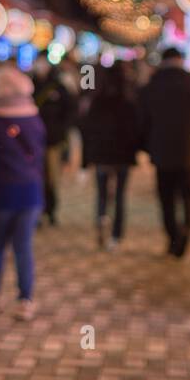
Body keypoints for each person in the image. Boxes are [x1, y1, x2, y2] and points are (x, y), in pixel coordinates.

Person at [0, 66, 46, 320]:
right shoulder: (34, 119)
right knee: (23, 247)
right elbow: (38, 154)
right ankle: (25, 300)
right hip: (30, 190)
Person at [137, 48, 190, 258]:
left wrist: (145, 147)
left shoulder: (151, 89)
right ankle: (186, 231)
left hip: (162, 153)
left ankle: (172, 237)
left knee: (167, 198)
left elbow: (142, 122)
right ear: (181, 61)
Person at [78, 62, 139, 250]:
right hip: (123, 156)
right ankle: (116, 235)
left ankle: (101, 223)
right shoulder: (130, 101)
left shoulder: (97, 101)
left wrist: (85, 160)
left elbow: (87, 131)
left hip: (101, 156)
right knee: (120, 196)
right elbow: (136, 130)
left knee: (103, 195)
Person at [32, 57, 75, 226]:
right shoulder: (29, 85)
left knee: (51, 178)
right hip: (33, 141)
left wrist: (61, 130)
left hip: (53, 140)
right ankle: (37, 211)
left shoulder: (59, 86)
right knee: (36, 177)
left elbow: (71, 110)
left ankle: (50, 210)